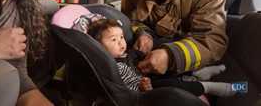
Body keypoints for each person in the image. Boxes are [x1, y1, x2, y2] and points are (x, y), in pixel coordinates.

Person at [88, 19, 235, 97]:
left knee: (165, 64)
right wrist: (144, 87)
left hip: (148, 75)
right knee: (171, 85)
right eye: (114, 40)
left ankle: (196, 73)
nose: (121, 42)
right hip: (146, 90)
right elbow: (127, 89)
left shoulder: (127, 53)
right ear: (98, 47)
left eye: (121, 37)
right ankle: (207, 87)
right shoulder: (115, 67)